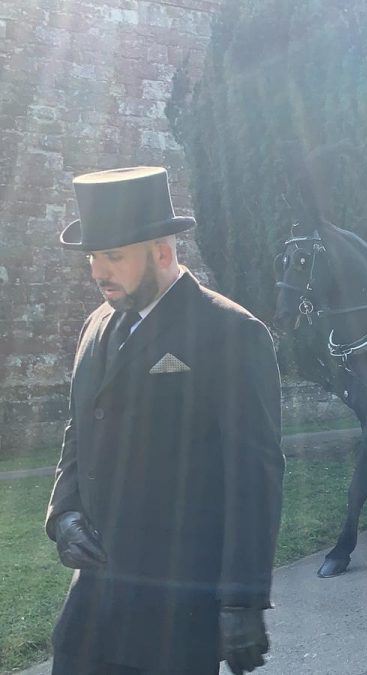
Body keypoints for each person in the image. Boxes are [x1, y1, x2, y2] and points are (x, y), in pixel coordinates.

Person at [46, 167, 284, 675]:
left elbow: (254, 476)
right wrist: (63, 514)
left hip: (176, 612)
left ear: (161, 251)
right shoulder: (96, 325)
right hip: (91, 607)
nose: (97, 272)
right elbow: (78, 432)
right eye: (93, 257)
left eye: (113, 256)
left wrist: (242, 601)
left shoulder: (231, 332)